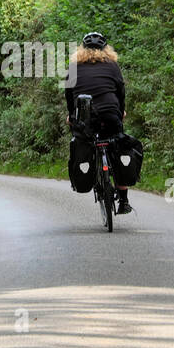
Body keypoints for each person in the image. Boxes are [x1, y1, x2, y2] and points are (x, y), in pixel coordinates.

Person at [66, 31, 133, 214]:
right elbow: (120, 92)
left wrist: (71, 115)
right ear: (106, 48)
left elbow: (69, 96)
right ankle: (124, 200)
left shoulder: (73, 67)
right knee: (118, 148)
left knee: (86, 143)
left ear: (82, 49)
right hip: (111, 113)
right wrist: (121, 112)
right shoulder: (112, 65)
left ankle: (93, 175)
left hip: (85, 118)